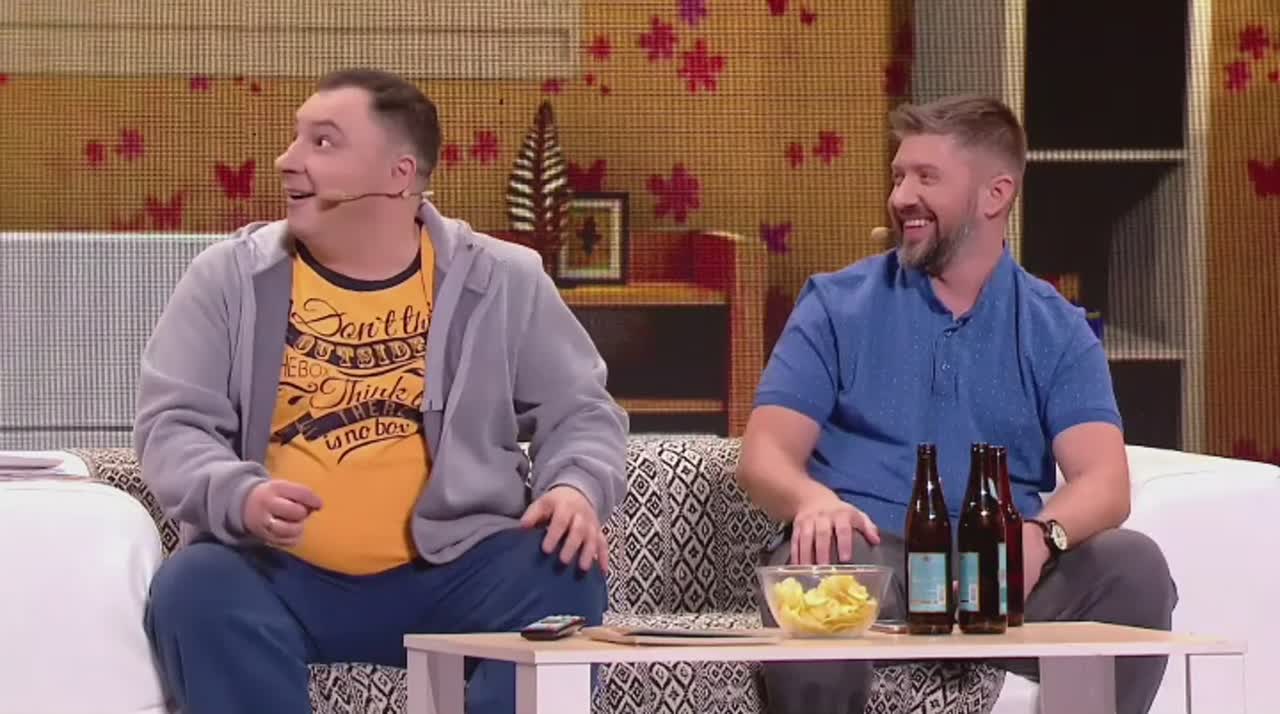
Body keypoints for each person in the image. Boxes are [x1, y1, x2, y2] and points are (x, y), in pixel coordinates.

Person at [134, 68, 629, 714]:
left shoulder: (503, 279)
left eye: (322, 142)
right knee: (195, 586)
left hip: (460, 573)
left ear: (399, 174)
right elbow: (172, 424)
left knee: (566, 569)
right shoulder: (227, 279)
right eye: (296, 138)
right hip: (280, 574)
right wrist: (239, 494)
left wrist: (574, 487)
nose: (287, 160)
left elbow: (583, 411)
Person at [737, 94, 1177, 714]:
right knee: (824, 565)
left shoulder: (1055, 327)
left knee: (1134, 567)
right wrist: (811, 499)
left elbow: (1105, 482)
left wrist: (1041, 536)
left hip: (997, 575)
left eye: (926, 177)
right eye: (898, 176)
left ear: (995, 194)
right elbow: (763, 456)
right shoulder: (836, 305)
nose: (901, 197)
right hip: (872, 561)